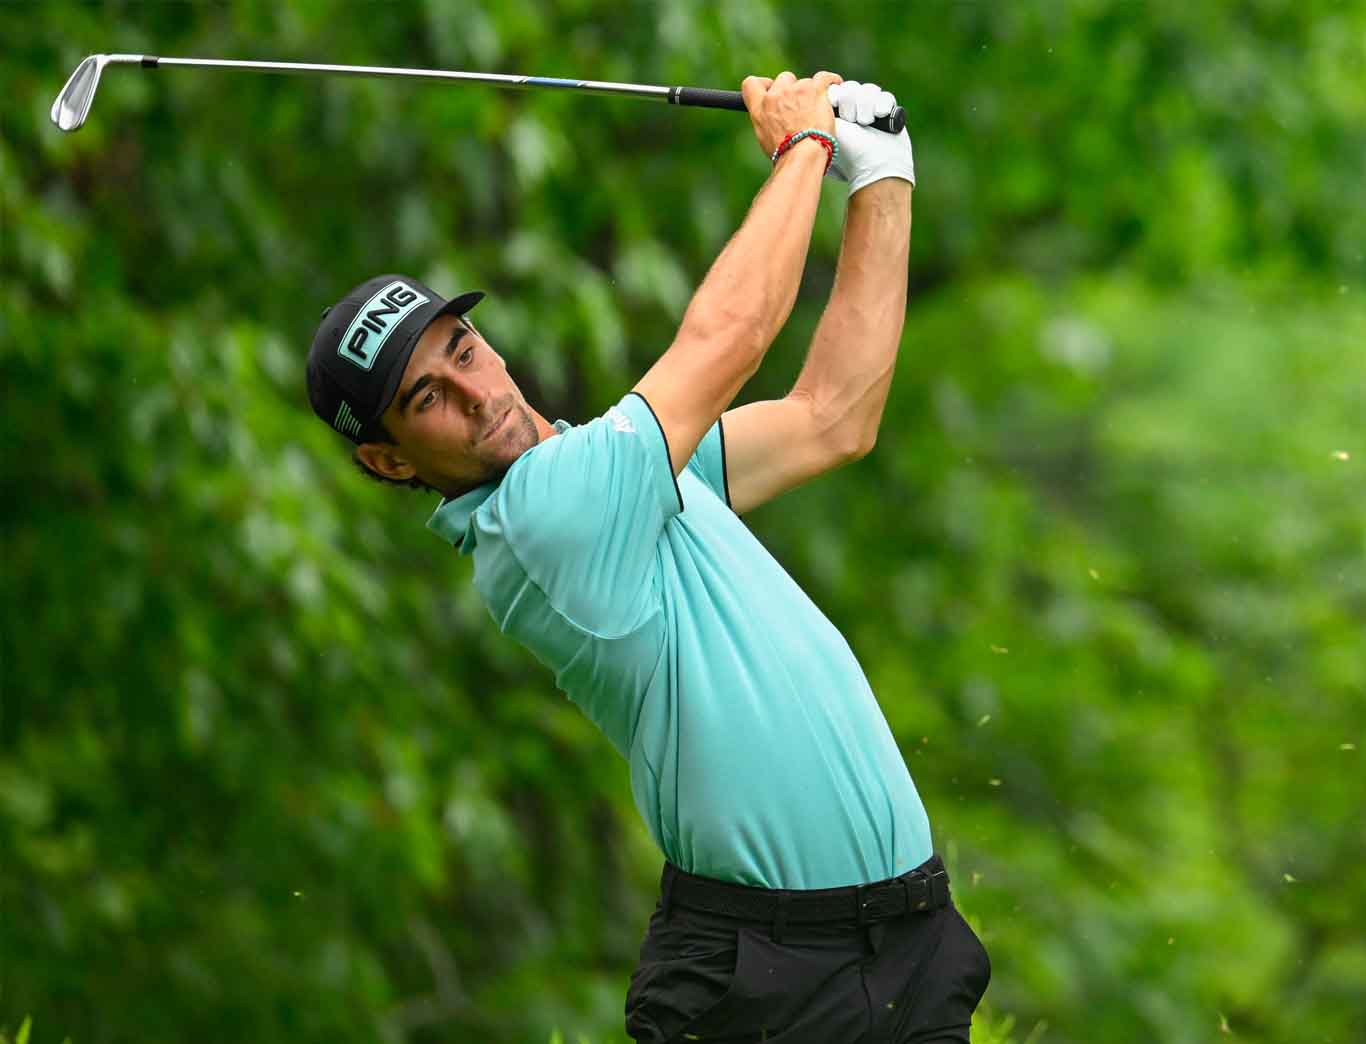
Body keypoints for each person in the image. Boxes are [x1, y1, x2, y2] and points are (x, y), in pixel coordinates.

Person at [302, 71, 989, 1042]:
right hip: (772, 982)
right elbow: (730, 336)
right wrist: (805, 148)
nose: (473, 391)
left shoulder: (617, 475)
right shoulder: (547, 514)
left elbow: (831, 418)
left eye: (460, 348)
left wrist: (882, 180)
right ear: (386, 459)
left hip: (901, 944)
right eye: (424, 400)